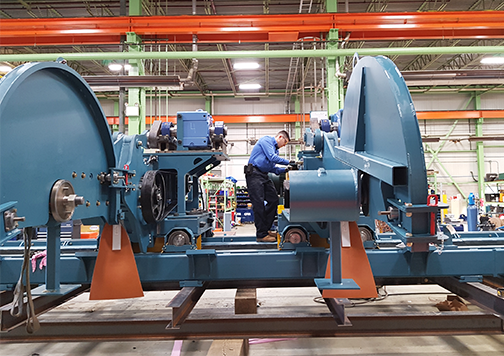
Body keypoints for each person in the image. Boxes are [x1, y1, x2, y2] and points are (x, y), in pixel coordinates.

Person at [244, 130, 294, 242]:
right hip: (254, 174)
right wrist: (289, 162)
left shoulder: (276, 151)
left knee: (274, 200)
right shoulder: (266, 141)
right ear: (280, 137)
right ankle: (261, 235)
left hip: (264, 175)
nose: (284, 145)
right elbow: (272, 158)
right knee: (259, 204)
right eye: (284, 142)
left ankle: (265, 229)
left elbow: (272, 168)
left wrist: (286, 169)